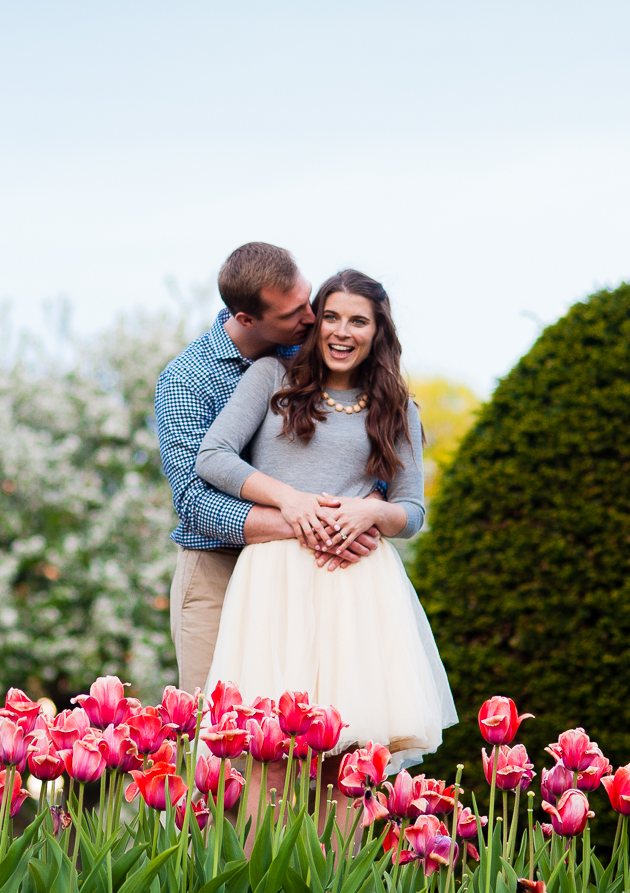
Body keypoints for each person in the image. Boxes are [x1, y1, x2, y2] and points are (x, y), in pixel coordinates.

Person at [196, 269, 457, 770]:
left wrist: (372, 511)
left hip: (358, 586)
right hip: (275, 579)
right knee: (266, 744)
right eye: (331, 317)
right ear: (315, 323)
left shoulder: (399, 408)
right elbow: (215, 456)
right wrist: (290, 501)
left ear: (378, 331)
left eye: (358, 321)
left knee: (353, 753)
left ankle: (340, 853)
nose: (342, 331)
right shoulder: (271, 376)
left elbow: (413, 512)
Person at [155, 243, 386, 693]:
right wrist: (310, 520)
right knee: (218, 729)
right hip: (217, 568)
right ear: (246, 320)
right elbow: (194, 501)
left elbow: (363, 428)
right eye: (294, 313)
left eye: (307, 301)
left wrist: (370, 505)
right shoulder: (188, 378)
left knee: (317, 725)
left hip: (312, 570)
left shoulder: (315, 346)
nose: (312, 318)